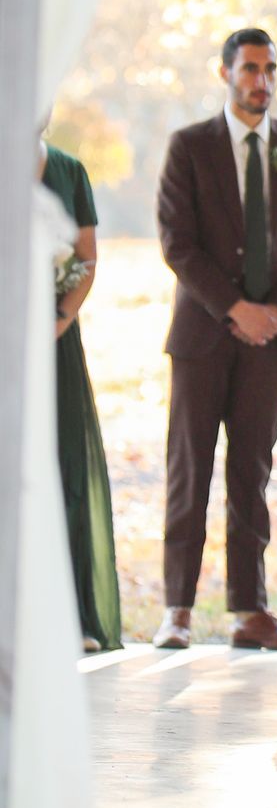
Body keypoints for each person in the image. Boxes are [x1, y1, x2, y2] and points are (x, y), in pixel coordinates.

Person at [154, 29, 277, 651]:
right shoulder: (190, 147)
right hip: (203, 337)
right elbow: (177, 241)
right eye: (251, 68)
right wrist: (232, 308)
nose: (262, 80)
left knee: (251, 473)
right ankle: (176, 611)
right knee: (190, 471)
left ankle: (250, 613)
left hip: (270, 342)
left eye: (270, 69)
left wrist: (274, 312)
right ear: (226, 72)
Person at [41, 135, 120, 653]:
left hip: (55, 339)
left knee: (65, 463)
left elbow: (85, 257)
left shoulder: (70, 171)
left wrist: (58, 318)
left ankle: (70, 615)